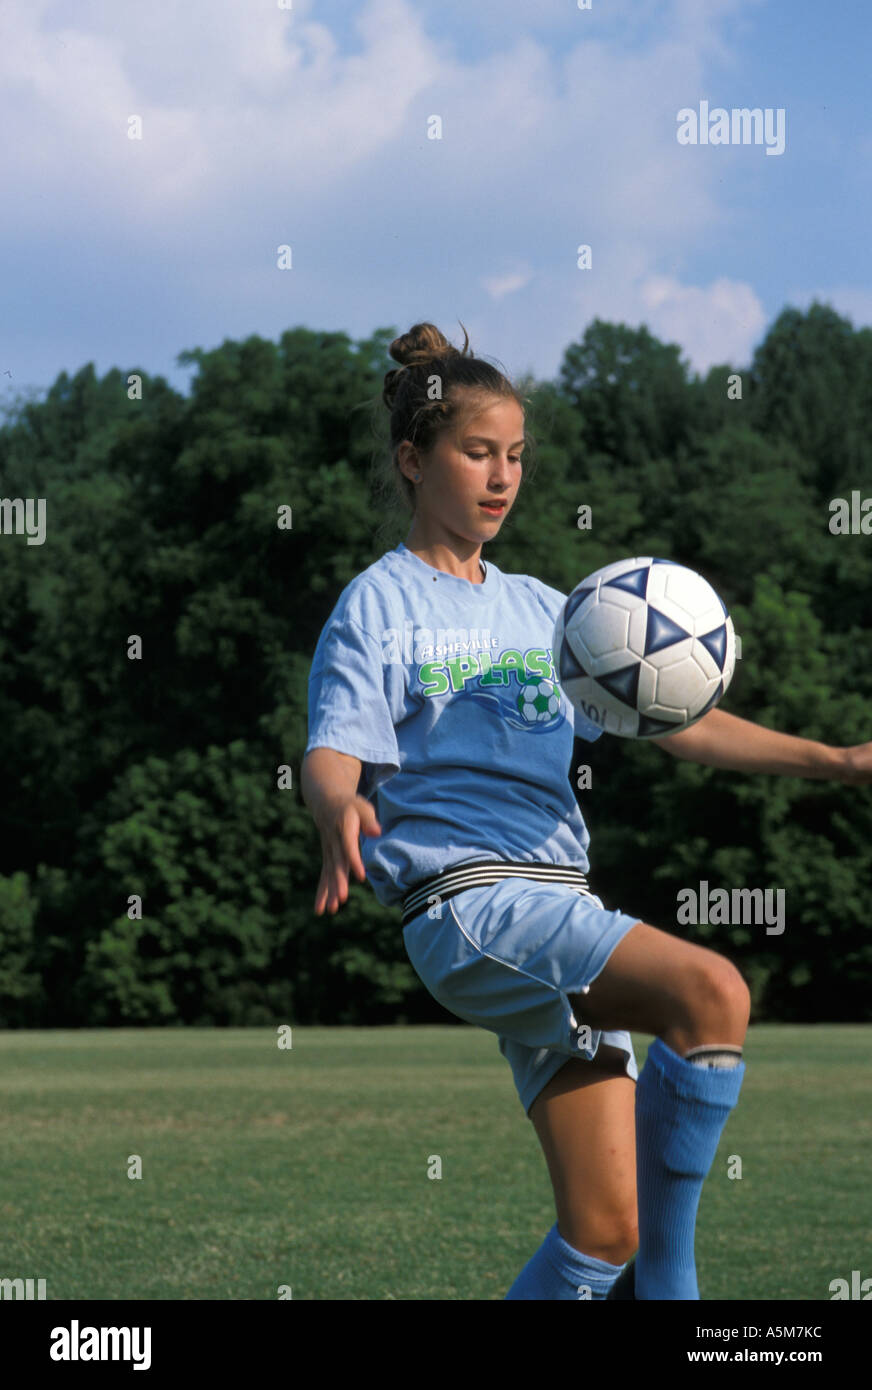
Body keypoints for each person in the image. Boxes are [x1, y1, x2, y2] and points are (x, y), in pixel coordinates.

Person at [301, 320, 870, 1301]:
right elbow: (330, 749)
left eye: (514, 455)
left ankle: (639, 1274)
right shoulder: (379, 604)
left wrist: (837, 760)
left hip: (556, 910)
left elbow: (675, 723)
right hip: (471, 905)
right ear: (412, 457)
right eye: (477, 452)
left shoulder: (542, 608)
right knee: (711, 992)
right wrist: (335, 806)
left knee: (601, 1232)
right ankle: (674, 1296)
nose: (501, 475)